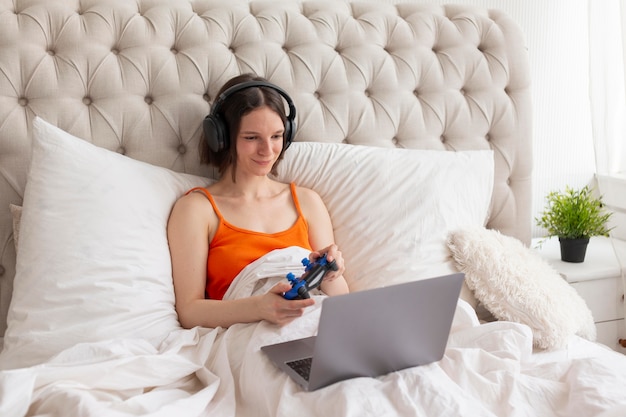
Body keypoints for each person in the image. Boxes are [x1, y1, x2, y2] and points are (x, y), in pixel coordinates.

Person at [167, 73, 349, 329]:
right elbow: (189, 311)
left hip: (314, 327)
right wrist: (259, 308)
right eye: (252, 138)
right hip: (248, 335)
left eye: (276, 136)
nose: (267, 150)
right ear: (222, 138)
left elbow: (343, 303)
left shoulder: (307, 201)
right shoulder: (197, 209)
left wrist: (330, 274)